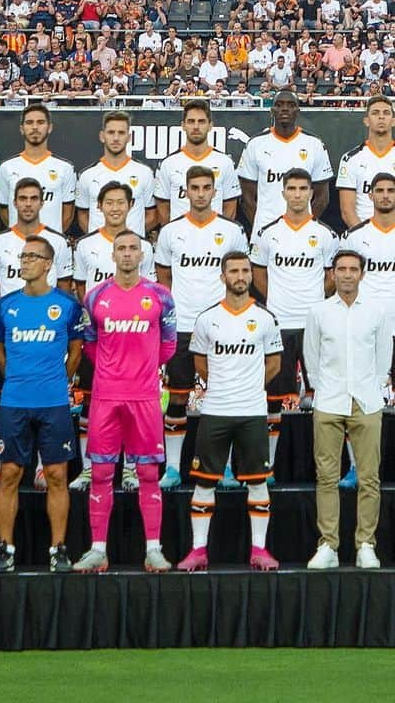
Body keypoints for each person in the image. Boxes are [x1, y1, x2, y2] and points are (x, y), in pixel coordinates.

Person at [75, 231, 176, 573]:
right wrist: (114, 372)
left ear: (143, 255)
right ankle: (98, 550)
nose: (128, 254)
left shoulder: (160, 296)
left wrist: (142, 371)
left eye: (134, 248)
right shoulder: (95, 297)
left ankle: (153, 549)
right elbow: (89, 345)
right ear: (113, 255)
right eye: (122, 249)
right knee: (102, 472)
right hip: (106, 396)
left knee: (148, 472)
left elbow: (168, 345)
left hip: (144, 398)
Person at [177, 252, 283, 572]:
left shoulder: (265, 318)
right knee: (205, 482)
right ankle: (198, 551)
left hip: (252, 411)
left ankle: (259, 550)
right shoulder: (207, 319)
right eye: (233, 271)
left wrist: (249, 386)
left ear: (251, 276)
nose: (240, 276)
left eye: (245, 271)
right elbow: (199, 362)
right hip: (215, 411)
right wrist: (224, 385)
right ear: (222, 277)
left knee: (258, 482)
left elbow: (274, 364)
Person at [0, 234, 83, 573]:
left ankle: (58, 548)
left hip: (53, 402)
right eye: (22, 256)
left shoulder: (67, 304)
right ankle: (5, 549)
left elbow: (75, 350)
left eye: (31, 256)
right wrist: (13, 376)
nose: (24, 261)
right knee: (10, 473)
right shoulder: (7, 305)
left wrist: (60, 379)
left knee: (57, 475)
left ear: (47, 264)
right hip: (15, 401)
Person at [155, 166, 248, 489]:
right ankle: (172, 468)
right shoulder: (170, 232)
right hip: (182, 325)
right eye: (194, 187)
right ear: (186, 191)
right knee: (178, 397)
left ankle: (222, 469)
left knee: (223, 397)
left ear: (214, 191)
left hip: (222, 325)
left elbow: (240, 277)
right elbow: (164, 280)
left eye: (206, 187)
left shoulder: (232, 231)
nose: (200, 193)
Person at [304, 249, 392, 570]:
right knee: (326, 478)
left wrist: (375, 387)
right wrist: (321, 388)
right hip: (328, 400)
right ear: (333, 273)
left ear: (362, 274)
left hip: (366, 401)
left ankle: (365, 544)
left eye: (353, 269)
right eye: (341, 269)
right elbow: (311, 356)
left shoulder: (378, 312)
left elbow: (384, 355)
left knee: (369, 478)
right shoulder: (319, 312)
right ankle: (328, 544)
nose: (347, 274)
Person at [70, 181, 156, 490]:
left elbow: (151, 291)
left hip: (134, 336)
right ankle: (91, 468)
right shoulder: (85, 246)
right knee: (91, 404)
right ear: (100, 207)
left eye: (121, 202)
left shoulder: (141, 245)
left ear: (131, 205)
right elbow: (81, 290)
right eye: (110, 203)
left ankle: (130, 468)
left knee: (132, 407)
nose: (115, 208)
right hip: (100, 336)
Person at [249, 169, 337, 467]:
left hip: (314, 326)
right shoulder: (268, 233)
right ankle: (269, 464)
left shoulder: (325, 235)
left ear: (312, 193)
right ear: (283, 193)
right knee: (275, 399)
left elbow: (331, 277)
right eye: (292, 188)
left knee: (323, 400)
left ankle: (326, 465)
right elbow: (258, 274)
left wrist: (313, 303)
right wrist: (278, 300)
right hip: (279, 325)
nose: (297, 194)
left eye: (303, 188)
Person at [338, 172, 395, 488]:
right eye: (380, 191)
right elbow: (344, 284)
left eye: (391, 190)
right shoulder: (356, 238)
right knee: (357, 403)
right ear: (370, 196)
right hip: (366, 331)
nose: (386, 196)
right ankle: (356, 467)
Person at [237, 91, 332, 233]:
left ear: (298, 111)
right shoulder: (255, 144)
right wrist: (263, 228)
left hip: (303, 233)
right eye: (279, 105)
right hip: (264, 232)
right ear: (272, 110)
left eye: (291, 105)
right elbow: (246, 199)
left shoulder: (314, 144)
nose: (285, 109)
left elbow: (322, 198)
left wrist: (303, 225)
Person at [0, 179, 72, 304]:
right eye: (23, 198)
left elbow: (64, 285)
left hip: (47, 316)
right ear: (14, 203)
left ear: (42, 203)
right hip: (11, 317)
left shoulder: (59, 242)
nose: (28, 204)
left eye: (34, 198)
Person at [154, 99, 241, 224]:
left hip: (214, 239)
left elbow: (230, 206)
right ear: (183, 125)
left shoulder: (224, 162)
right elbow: (162, 207)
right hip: (179, 239)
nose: (196, 127)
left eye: (201, 122)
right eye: (191, 121)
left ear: (210, 126)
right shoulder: (168, 163)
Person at [0, 101, 77, 234]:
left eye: (40, 122)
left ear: (49, 127)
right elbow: (4, 210)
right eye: (29, 123)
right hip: (17, 246)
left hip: (51, 247)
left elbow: (68, 213)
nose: (35, 127)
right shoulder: (7, 167)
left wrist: (50, 237)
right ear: (21, 129)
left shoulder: (65, 168)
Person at [75, 111, 156, 235]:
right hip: (98, 251)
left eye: (121, 133)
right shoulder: (87, 175)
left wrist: (130, 238)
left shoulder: (144, 173)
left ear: (129, 137)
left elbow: (152, 215)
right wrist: (102, 239)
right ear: (102, 136)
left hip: (132, 252)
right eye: (111, 132)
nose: (116, 138)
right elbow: (83, 216)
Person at [337, 96, 395, 229]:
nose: (381, 117)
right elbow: (347, 211)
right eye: (375, 113)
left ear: (393, 121)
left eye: (386, 113)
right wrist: (364, 237)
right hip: (363, 238)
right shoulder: (350, 159)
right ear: (366, 121)